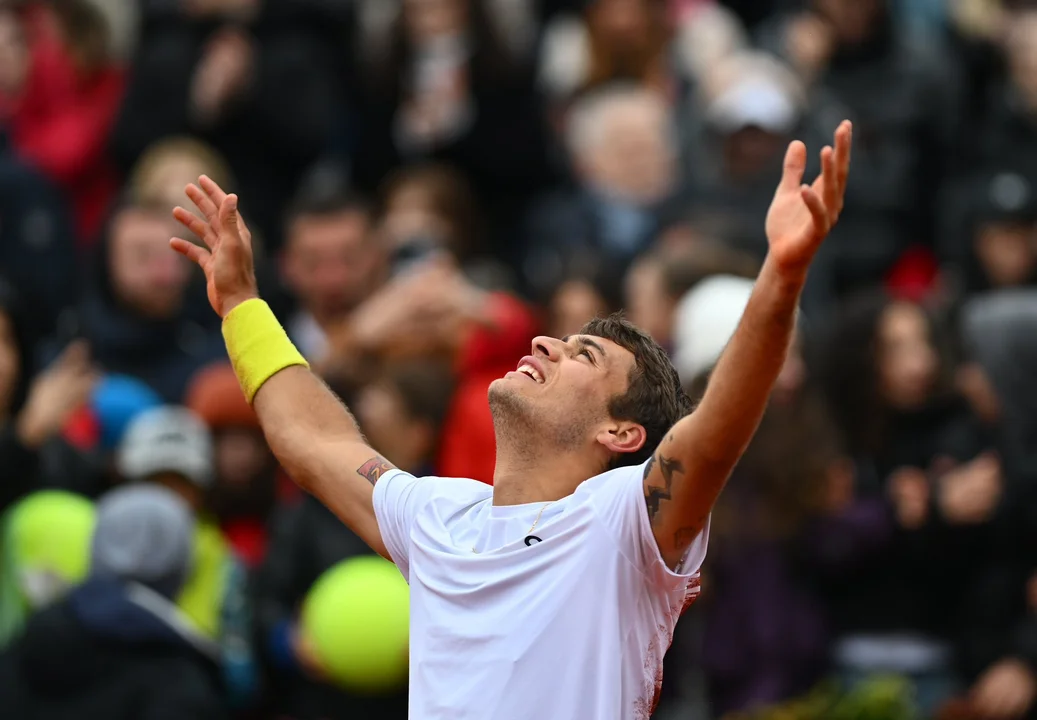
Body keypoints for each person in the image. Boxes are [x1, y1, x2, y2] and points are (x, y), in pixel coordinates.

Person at [170, 120, 853, 718]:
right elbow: (312, 439)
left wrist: (781, 277)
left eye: (584, 354)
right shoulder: (438, 517)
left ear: (620, 433)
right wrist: (241, 304)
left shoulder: (623, 523)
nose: (547, 343)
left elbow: (717, 430)